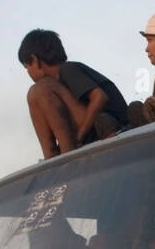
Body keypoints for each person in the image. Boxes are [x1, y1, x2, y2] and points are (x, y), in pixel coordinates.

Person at [18, 29, 128, 158]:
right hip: (91, 130)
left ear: (35, 60)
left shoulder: (67, 69)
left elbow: (99, 97)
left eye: (27, 67)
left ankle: (66, 154)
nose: (28, 73)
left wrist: (78, 136)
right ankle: (51, 158)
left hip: (110, 125)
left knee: (37, 91)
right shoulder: (56, 84)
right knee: (36, 94)